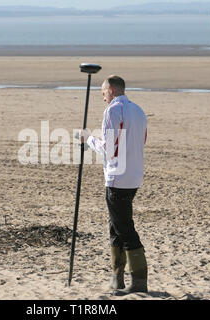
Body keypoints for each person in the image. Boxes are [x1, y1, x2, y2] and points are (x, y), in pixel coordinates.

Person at [80, 75, 148, 295]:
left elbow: (109, 149)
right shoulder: (138, 111)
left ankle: (138, 281)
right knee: (116, 226)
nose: (102, 99)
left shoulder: (113, 110)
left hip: (117, 178)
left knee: (124, 228)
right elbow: (140, 142)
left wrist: (88, 139)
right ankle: (116, 278)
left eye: (102, 94)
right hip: (134, 175)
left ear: (110, 89)